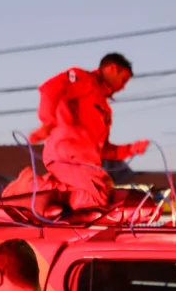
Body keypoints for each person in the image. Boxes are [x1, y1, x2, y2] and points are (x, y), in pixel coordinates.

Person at [29, 52, 150, 209]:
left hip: (87, 164)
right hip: (67, 155)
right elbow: (51, 88)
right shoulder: (85, 80)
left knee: (108, 194)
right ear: (113, 69)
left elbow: (103, 150)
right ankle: (32, 190)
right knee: (95, 198)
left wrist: (131, 149)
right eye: (123, 80)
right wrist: (48, 121)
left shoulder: (104, 109)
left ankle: (59, 207)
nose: (123, 87)